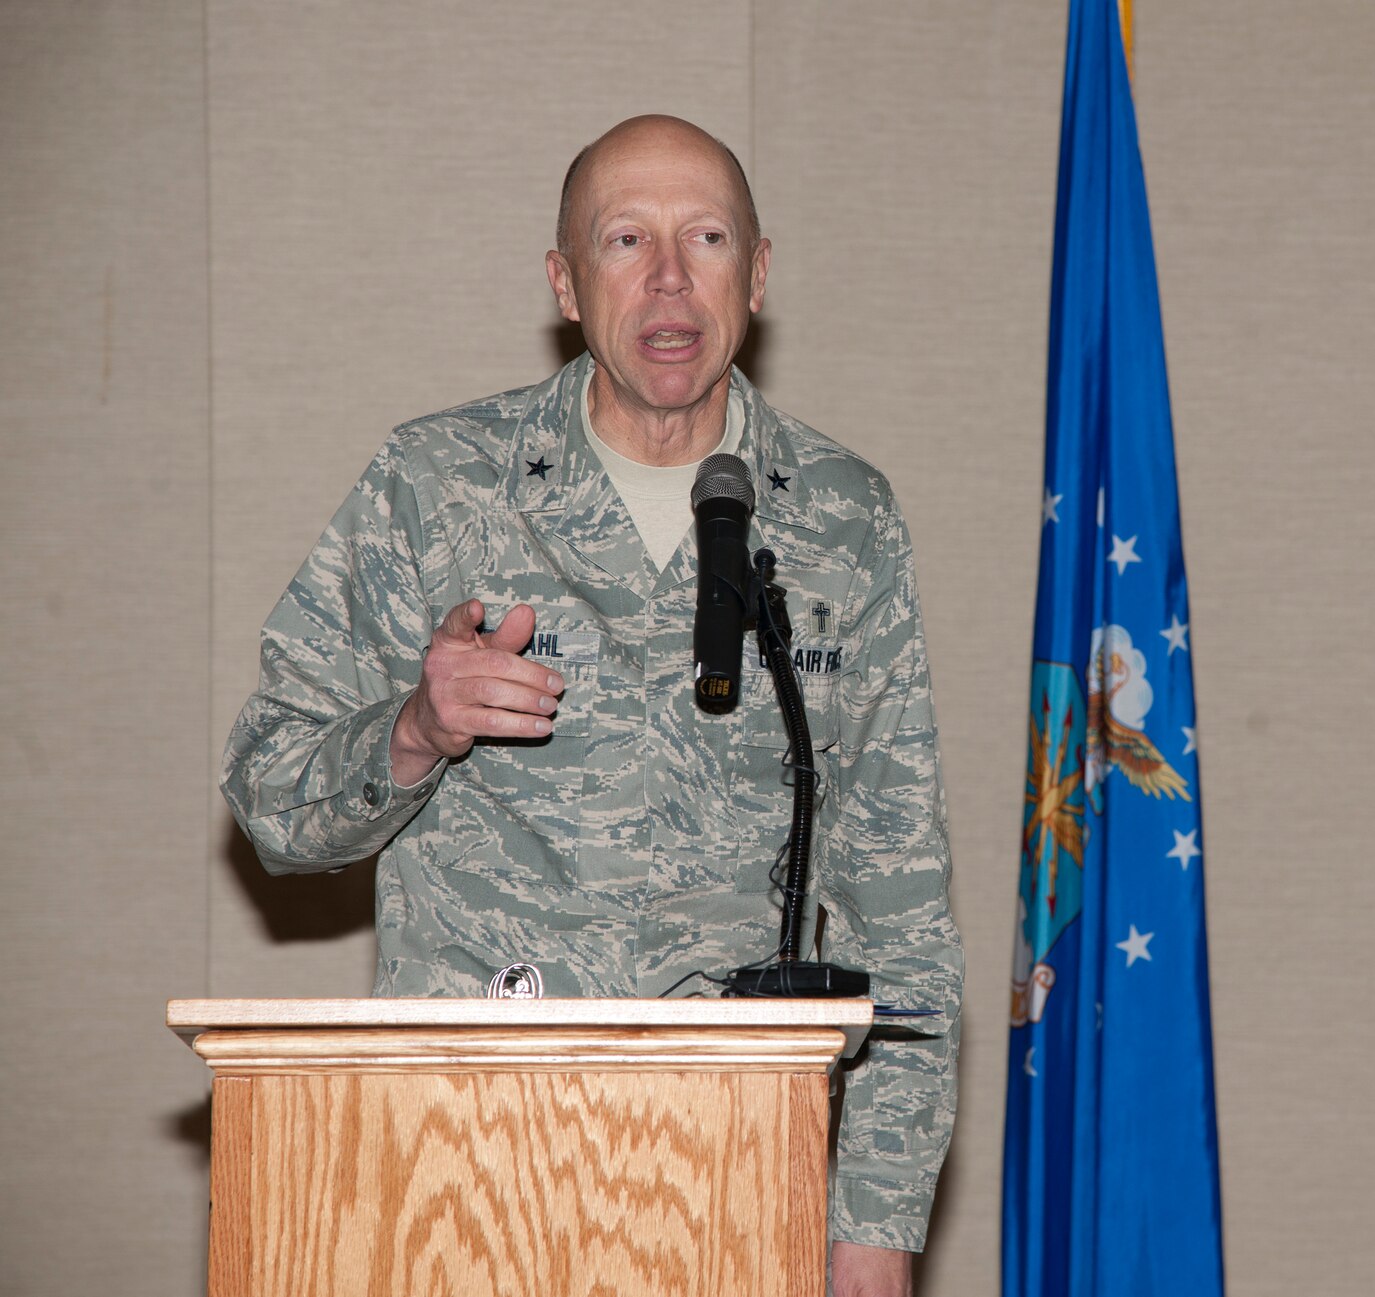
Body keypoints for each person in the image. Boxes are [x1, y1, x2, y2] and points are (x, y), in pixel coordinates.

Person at [220, 115, 960, 1297]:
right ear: (566, 283)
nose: (669, 277)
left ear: (756, 274)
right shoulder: (434, 484)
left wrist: (875, 1223)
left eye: (705, 236)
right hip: (459, 1158)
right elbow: (267, 796)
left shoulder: (840, 516)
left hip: (736, 1160)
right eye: (625, 239)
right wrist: (412, 729)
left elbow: (898, 893)